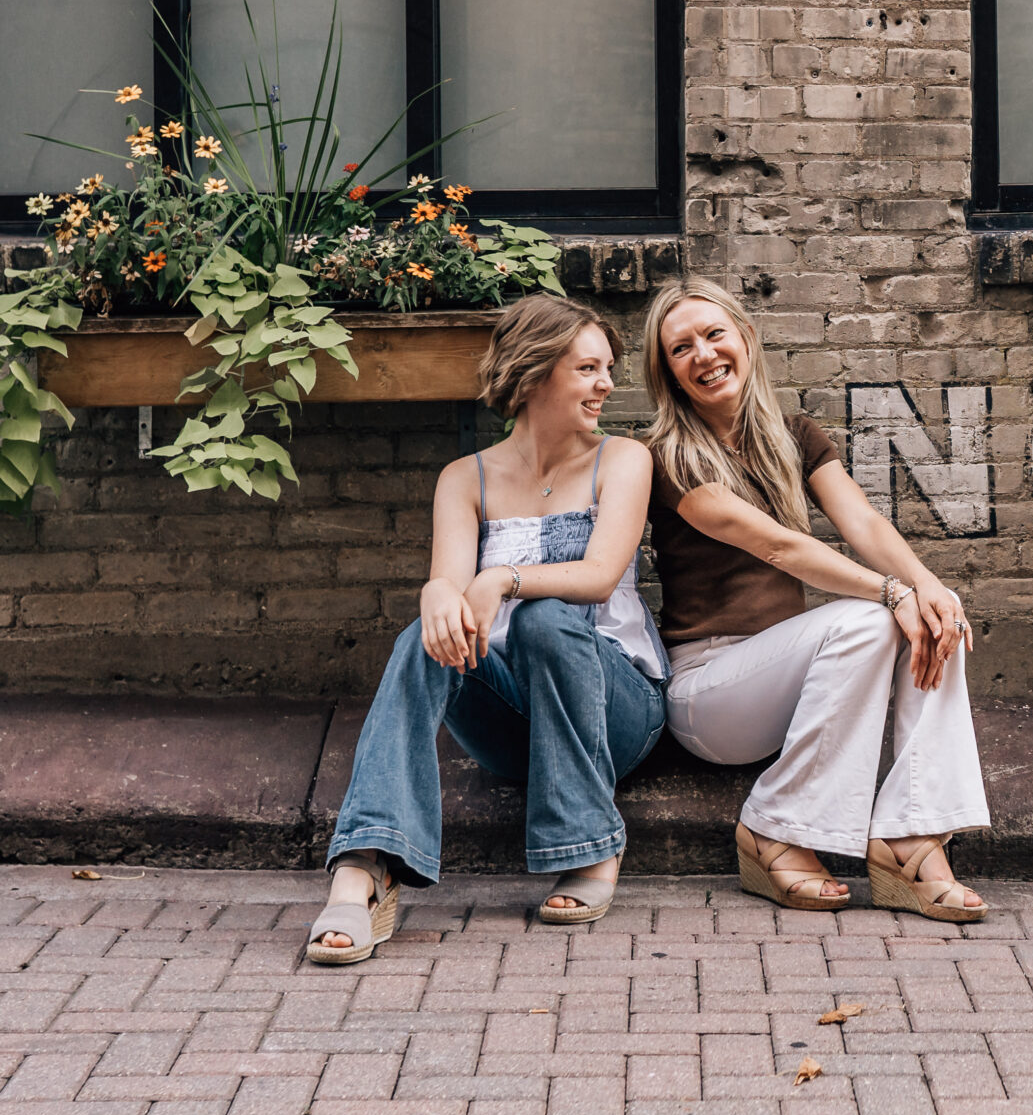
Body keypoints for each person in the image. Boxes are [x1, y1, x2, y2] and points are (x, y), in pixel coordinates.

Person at [305, 295, 667, 964]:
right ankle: (365, 865)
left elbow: (595, 575)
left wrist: (503, 577)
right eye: (589, 368)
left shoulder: (623, 460)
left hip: (615, 705)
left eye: (607, 368)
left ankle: (590, 839)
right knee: (420, 637)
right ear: (536, 375)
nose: (607, 385)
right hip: (516, 723)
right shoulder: (464, 478)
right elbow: (449, 588)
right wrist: (436, 592)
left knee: (545, 616)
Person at [640, 278, 988, 920]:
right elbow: (779, 547)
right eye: (681, 348)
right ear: (668, 373)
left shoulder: (794, 434)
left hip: (793, 680)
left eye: (714, 334)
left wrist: (930, 589)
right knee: (871, 617)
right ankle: (773, 828)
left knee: (937, 618)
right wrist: (891, 591)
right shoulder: (666, 456)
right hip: (708, 694)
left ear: (745, 338)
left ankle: (911, 835)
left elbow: (865, 525)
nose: (703, 354)